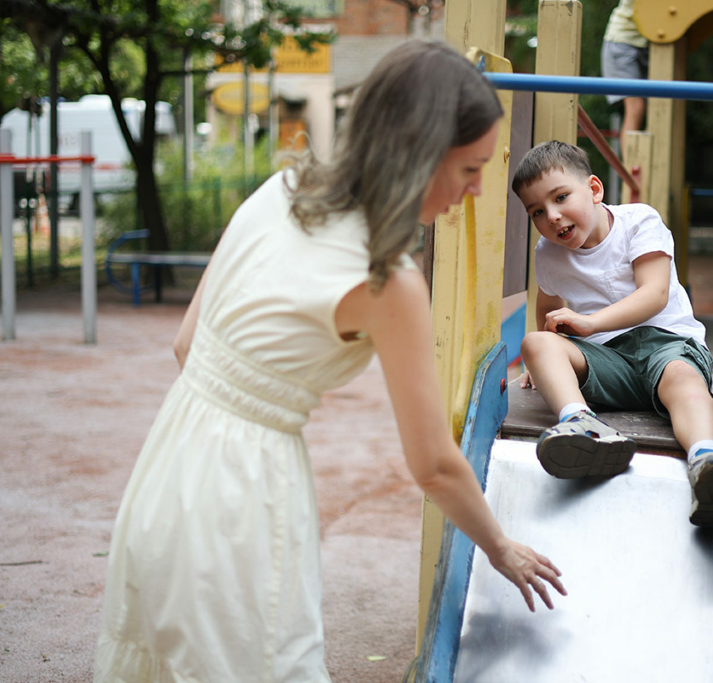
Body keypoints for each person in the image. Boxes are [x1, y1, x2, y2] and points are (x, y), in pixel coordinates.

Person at [93, 40, 565, 683]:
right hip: (245, 493)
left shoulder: (283, 188)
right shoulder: (387, 277)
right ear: (421, 153)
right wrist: (502, 548)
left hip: (167, 467)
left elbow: (186, 345)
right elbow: (432, 462)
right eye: (470, 168)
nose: (480, 188)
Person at [511, 140, 713, 528]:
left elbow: (654, 294)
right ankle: (583, 425)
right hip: (608, 363)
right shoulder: (548, 252)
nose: (552, 216)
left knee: (684, 380)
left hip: (667, 345)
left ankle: (708, 462)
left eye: (560, 197)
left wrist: (591, 322)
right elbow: (547, 308)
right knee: (536, 343)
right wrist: (540, 361)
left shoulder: (639, 221)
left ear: (593, 189)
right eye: (537, 211)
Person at [601, 0, 650, 136]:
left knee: (656, 105)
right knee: (636, 106)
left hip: (646, 46)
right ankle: (630, 157)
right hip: (622, 43)